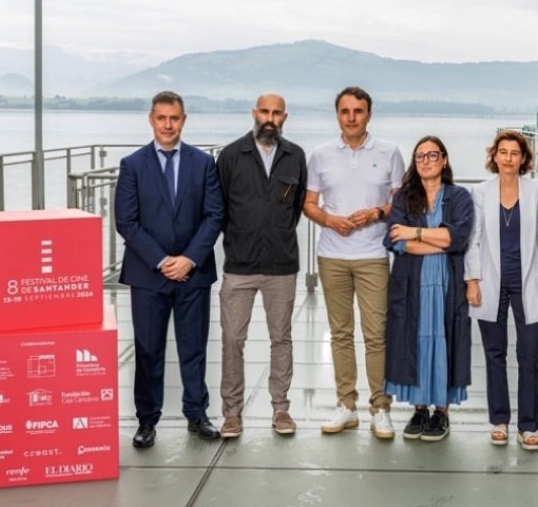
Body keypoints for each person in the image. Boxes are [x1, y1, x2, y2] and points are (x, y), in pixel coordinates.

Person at [115, 90, 224, 448]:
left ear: (183, 120)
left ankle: (197, 414)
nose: (167, 125)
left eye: (174, 118)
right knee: (148, 349)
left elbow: (214, 215)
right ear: (151, 119)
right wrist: (163, 261)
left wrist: (189, 259)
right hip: (148, 275)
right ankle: (147, 420)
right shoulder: (132, 165)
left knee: (193, 348)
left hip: (193, 273)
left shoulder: (203, 163)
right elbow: (126, 222)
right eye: (161, 118)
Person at [303, 86, 405, 439]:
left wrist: (377, 212)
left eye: (358, 111)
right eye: (345, 111)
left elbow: (400, 205)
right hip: (332, 255)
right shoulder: (319, 155)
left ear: (368, 115)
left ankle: (381, 408)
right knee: (340, 335)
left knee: (376, 336)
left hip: (373, 255)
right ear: (337, 116)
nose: (351, 118)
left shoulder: (390, 152)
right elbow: (310, 203)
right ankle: (346, 405)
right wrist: (330, 221)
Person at [216, 93, 307, 438]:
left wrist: (276, 234)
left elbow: (296, 207)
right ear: (254, 113)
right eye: (264, 112)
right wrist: (242, 236)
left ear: (285, 116)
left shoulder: (295, 156)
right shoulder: (230, 156)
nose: (270, 118)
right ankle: (231, 414)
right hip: (239, 264)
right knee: (232, 339)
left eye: (277, 113)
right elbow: (220, 207)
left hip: (281, 265)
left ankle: (281, 409)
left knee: (281, 338)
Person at [465, 130, 538, 450]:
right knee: (495, 354)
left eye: (514, 153)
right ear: (495, 157)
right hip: (491, 281)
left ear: (523, 159)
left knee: (529, 354)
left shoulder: (537, 192)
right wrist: (472, 279)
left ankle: (528, 426)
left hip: (527, 280)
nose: (508, 158)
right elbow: (472, 241)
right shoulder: (480, 192)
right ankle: (500, 420)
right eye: (502, 152)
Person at [383, 135, 474, 442]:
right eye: (420, 156)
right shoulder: (404, 198)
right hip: (413, 283)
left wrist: (417, 233)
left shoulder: (459, 196)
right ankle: (420, 410)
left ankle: (442, 413)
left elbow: (458, 238)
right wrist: (439, 241)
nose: (425, 161)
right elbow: (396, 241)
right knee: (416, 343)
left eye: (432, 155)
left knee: (445, 342)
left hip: (447, 284)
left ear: (444, 160)